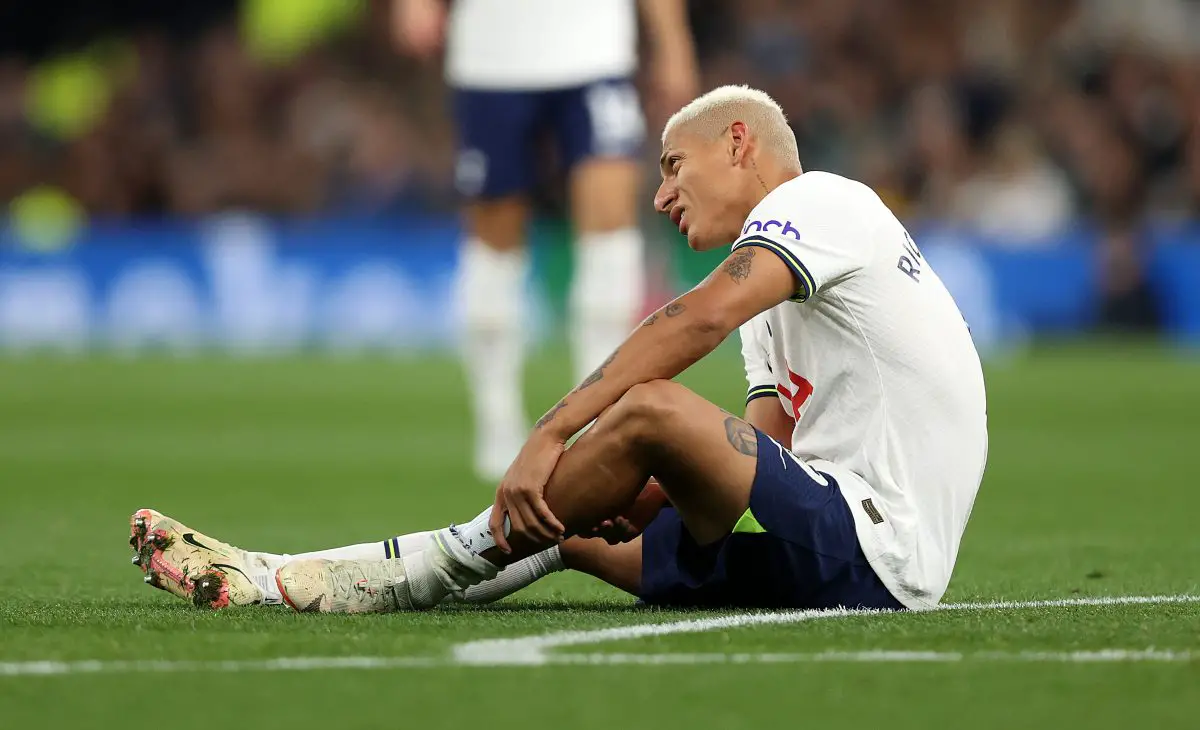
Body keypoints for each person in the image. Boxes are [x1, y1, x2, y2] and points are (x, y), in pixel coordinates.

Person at [131, 86, 988, 614]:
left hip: (882, 541)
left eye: (671, 165)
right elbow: (748, 471)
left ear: (739, 144)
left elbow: (689, 323)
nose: (659, 195)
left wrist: (555, 431)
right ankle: (287, 577)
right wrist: (633, 486)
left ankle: (426, 566)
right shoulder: (778, 301)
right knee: (562, 530)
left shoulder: (821, 200)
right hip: (843, 547)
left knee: (647, 408)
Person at [393, 0, 700, 480]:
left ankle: (600, 416)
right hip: (493, 59)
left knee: (609, 227)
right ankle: (497, 417)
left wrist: (672, 40)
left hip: (596, 52)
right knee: (495, 237)